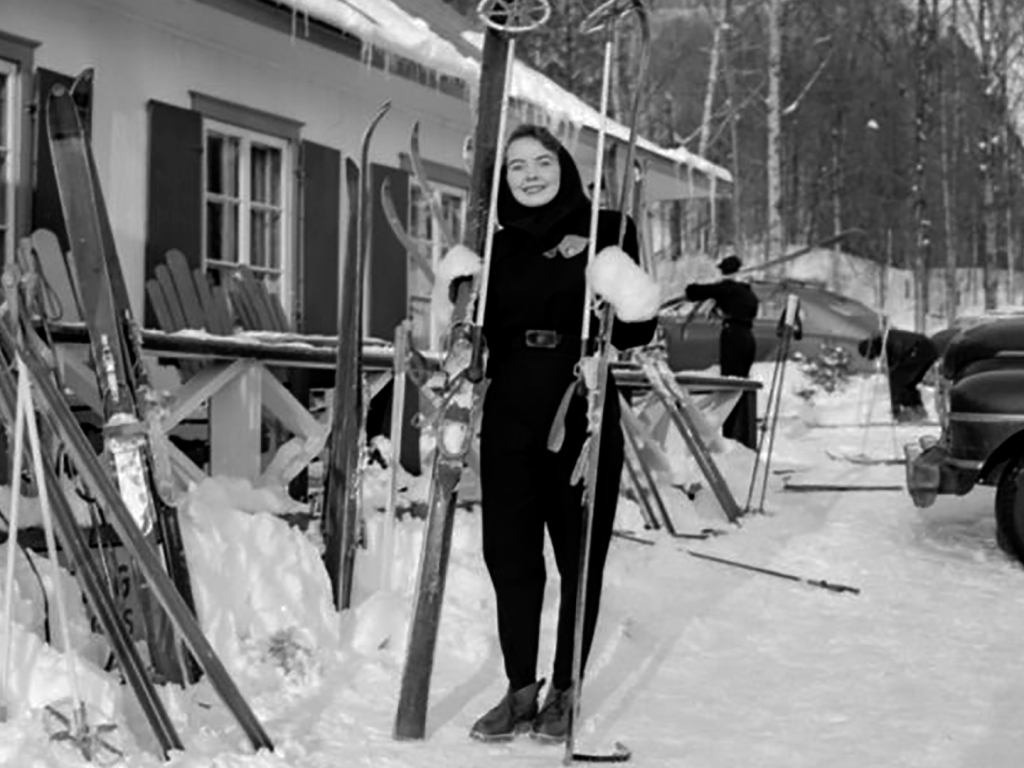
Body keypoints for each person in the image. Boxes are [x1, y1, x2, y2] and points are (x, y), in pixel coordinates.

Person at [439, 124, 658, 745]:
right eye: (516, 167)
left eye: (542, 162)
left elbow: (637, 335)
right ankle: (519, 689)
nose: (530, 174)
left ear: (564, 167)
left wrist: (620, 286)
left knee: (578, 557)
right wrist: (459, 302)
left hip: (580, 408)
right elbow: (471, 348)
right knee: (509, 557)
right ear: (503, 180)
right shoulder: (493, 247)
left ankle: (566, 688)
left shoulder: (607, 232)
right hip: (508, 411)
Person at [683, 254, 760, 445]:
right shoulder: (748, 293)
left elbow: (695, 292)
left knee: (729, 385)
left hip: (733, 336)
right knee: (741, 384)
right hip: (748, 337)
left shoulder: (727, 288)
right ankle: (742, 435)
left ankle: (730, 434)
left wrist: (691, 289)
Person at [858, 328, 939, 422]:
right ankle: (917, 410)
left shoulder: (888, 340)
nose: (877, 357)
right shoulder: (884, 342)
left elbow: (898, 357)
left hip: (919, 349)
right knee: (908, 383)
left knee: (898, 379)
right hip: (928, 349)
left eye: (872, 355)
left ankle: (907, 410)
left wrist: (895, 406)